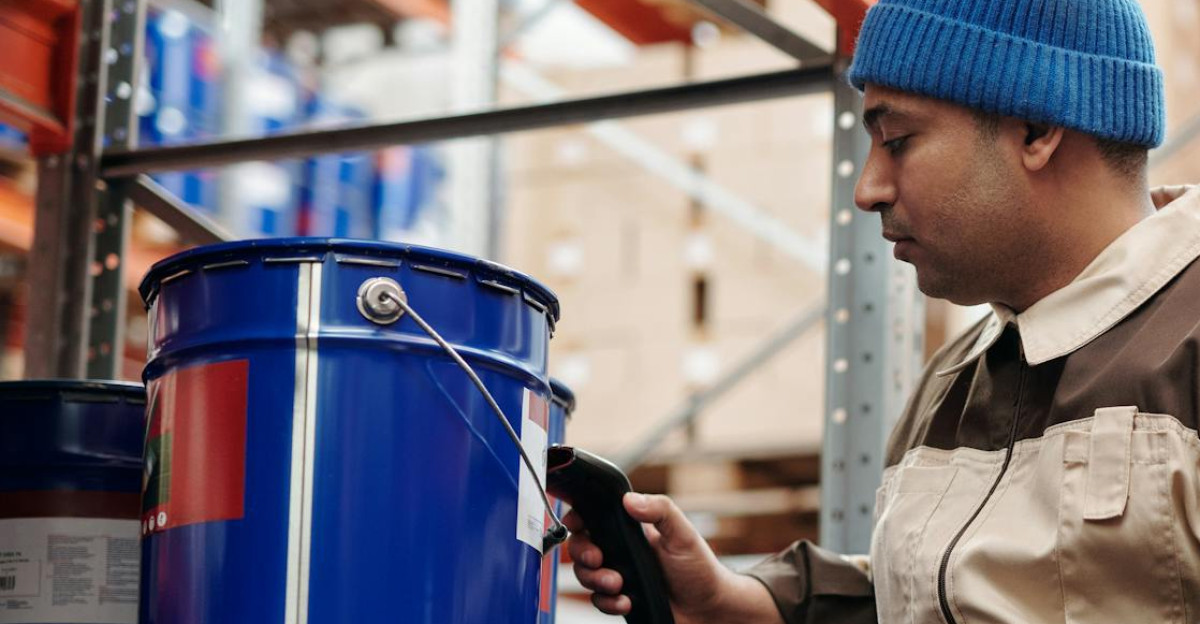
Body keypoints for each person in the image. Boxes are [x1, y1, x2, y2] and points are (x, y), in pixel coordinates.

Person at [567, 0, 1200, 622]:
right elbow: (939, 594)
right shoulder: (952, 381)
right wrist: (735, 603)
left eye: (897, 141)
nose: (867, 190)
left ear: (1035, 129)